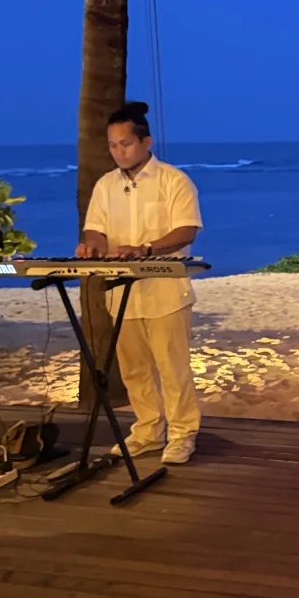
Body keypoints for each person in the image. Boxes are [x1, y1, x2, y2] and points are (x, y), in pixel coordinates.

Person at [76, 101, 203, 465]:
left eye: (126, 144)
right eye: (113, 145)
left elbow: (187, 230)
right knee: (133, 370)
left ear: (146, 142)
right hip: (121, 293)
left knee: (172, 368)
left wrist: (146, 248)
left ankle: (182, 433)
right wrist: (92, 245)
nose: (119, 152)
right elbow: (96, 229)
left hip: (166, 293)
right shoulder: (105, 186)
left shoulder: (174, 180)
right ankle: (148, 430)